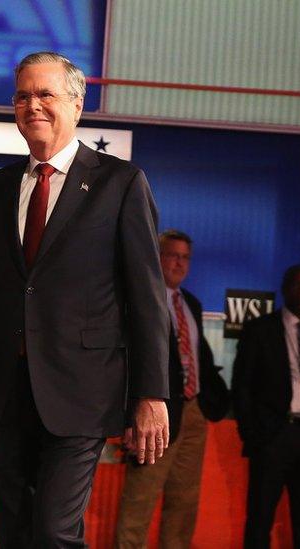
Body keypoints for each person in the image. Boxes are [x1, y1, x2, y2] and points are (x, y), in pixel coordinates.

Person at [0, 51, 170, 547]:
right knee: (15, 534)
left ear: (77, 105)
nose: (31, 105)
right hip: (5, 395)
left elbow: (147, 298)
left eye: (45, 94)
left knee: (55, 531)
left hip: (80, 395)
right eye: (21, 96)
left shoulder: (119, 184)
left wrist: (151, 394)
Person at [114, 230, 230, 548]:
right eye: (172, 255)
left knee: (183, 506)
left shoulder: (190, 303)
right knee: (139, 504)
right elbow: (126, 360)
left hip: (193, 415)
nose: (179, 263)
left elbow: (196, 357)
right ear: (157, 256)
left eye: (185, 257)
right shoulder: (139, 298)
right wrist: (129, 417)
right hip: (153, 417)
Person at [233, 265, 300, 549]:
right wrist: (252, 435)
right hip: (273, 436)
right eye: (297, 284)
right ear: (285, 288)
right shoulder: (260, 330)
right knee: (260, 518)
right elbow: (242, 386)